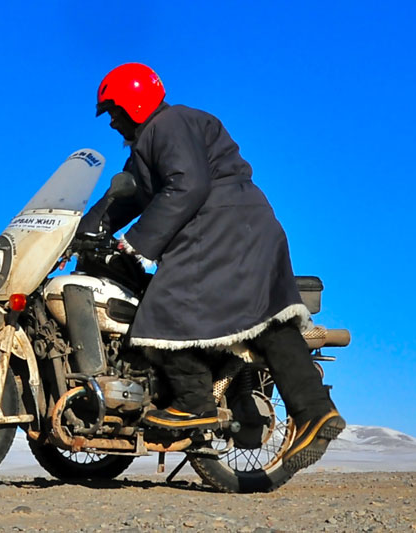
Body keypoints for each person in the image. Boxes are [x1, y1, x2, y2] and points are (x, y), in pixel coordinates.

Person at [78, 62, 345, 474]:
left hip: (221, 228)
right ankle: (316, 412)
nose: (111, 122)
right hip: (249, 227)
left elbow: (188, 184)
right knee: (266, 322)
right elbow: (124, 199)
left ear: (133, 103)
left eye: (114, 111)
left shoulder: (168, 124)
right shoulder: (152, 141)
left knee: (160, 306)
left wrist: (138, 242)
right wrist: (78, 233)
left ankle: (193, 402)